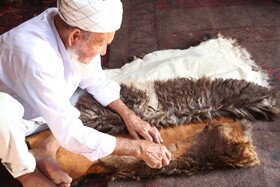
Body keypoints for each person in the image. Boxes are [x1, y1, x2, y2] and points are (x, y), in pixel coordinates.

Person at [0, 0, 172, 186]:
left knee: (92, 98)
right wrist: (138, 148)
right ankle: (27, 175)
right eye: (100, 44)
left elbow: (96, 81)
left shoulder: (66, 25)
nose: (103, 51)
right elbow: (71, 133)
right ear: (75, 36)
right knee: (3, 112)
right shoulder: (34, 55)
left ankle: (45, 150)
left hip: (43, 109)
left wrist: (130, 116)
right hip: (13, 120)